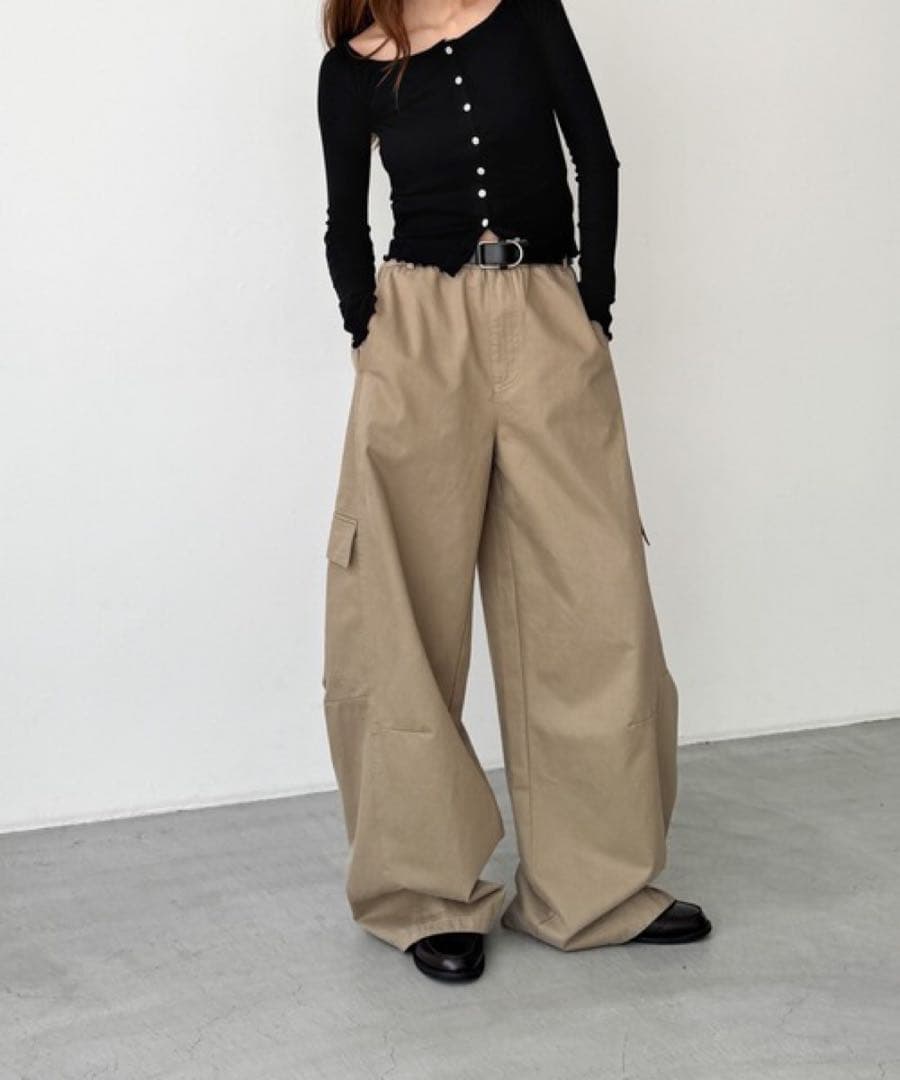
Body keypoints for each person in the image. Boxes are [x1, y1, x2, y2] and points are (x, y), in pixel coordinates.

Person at [316, 0, 711, 983]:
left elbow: (595, 158)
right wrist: (371, 335)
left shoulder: (528, 10)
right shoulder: (351, 69)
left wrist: (593, 306)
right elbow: (343, 220)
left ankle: (596, 887)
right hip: (417, 332)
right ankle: (422, 893)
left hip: (545, 308)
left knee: (592, 595)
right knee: (400, 611)